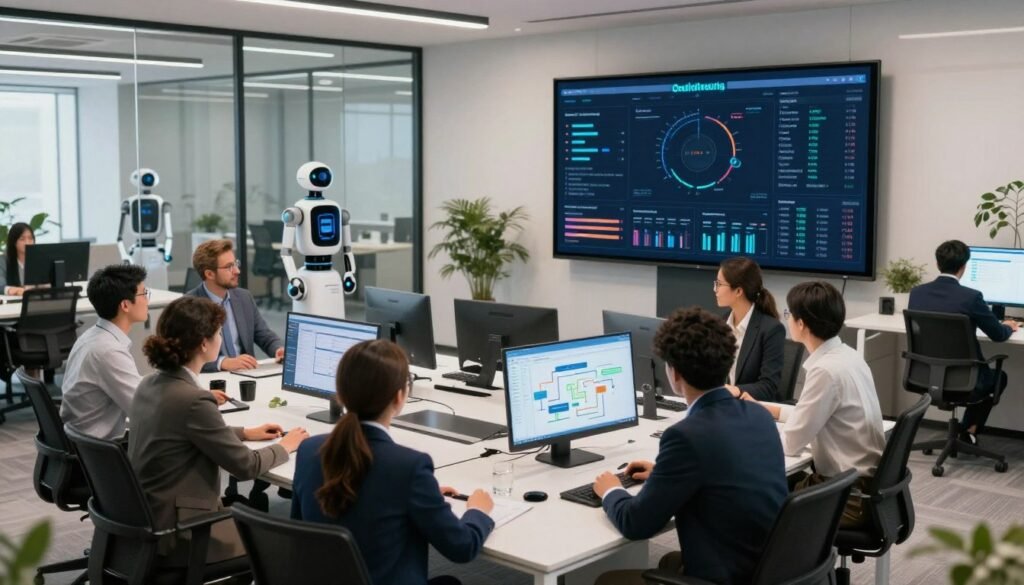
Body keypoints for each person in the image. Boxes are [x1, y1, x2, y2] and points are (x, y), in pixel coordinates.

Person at [592, 307, 787, 585]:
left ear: (675, 374)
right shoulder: (758, 415)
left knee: (609, 581)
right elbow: (723, 467)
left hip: (728, 576)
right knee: (668, 562)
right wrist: (665, 472)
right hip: (767, 568)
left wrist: (610, 489)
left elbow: (636, 524)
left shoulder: (685, 436)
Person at [292, 339, 494, 585]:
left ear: (341, 394)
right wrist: (477, 510)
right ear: (400, 397)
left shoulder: (309, 449)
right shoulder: (409, 467)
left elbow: (299, 532)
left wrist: (422, 494)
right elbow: (462, 547)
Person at [128, 296, 309, 567]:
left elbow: (182, 431)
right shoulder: (193, 400)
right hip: (182, 531)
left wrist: (245, 432)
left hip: (147, 517)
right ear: (204, 343)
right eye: (219, 333)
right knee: (281, 545)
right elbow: (246, 467)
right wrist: (287, 445)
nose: (221, 338)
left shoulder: (150, 383)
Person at [745, 281, 885, 527]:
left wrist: (743, 435)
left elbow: (791, 444)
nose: (787, 319)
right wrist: (772, 410)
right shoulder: (849, 356)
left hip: (847, 497)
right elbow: (818, 414)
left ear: (801, 324)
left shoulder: (825, 371)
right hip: (864, 486)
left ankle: (766, 564)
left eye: (789, 314)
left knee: (750, 496)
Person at [908, 240, 1019, 444]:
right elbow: (998, 335)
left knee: (981, 376)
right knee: (998, 377)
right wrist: (1009, 326)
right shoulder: (971, 297)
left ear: (937, 263)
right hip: (965, 381)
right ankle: (970, 430)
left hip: (926, 377)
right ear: (964, 266)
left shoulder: (917, 293)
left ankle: (965, 431)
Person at [60, 264, 149, 440]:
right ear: (125, 305)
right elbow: (144, 409)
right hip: (100, 451)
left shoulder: (93, 336)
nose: (147, 300)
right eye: (144, 294)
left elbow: (137, 388)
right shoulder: (108, 351)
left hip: (85, 441)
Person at [188, 239, 284, 372]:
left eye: (235, 264)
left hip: (247, 375)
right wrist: (223, 362)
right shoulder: (189, 305)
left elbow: (263, 334)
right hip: (213, 380)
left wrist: (277, 349)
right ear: (209, 274)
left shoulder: (244, 297)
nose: (237, 271)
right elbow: (186, 355)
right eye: (229, 267)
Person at [714, 257, 786, 401]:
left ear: (738, 291)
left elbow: (768, 386)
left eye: (719, 284)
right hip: (722, 406)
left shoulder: (771, 329)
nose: (715, 289)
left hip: (751, 409)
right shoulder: (720, 323)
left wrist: (736, 390)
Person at [0, 222, 35, 295]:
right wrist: (12, 290)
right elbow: (1, 285)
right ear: (14, 242)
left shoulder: (39, 260)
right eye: (22, 239)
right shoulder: (3, 261)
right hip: (11, 303)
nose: (27, 242)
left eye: (30, 238)